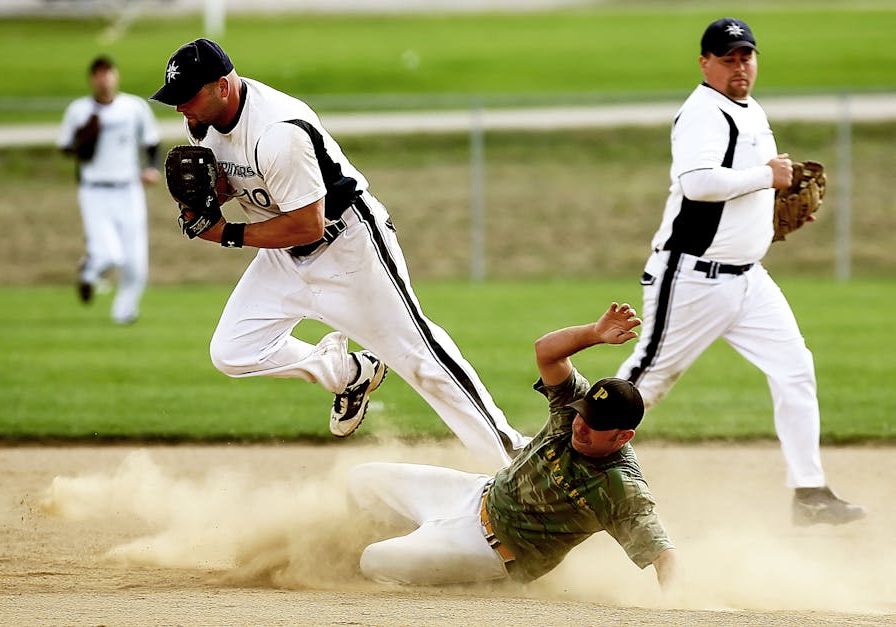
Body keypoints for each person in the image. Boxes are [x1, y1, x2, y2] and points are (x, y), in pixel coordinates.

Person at [148, 39, 528, 467]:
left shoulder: (278, 133)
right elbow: (232, 182)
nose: (180, 108)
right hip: (283, 255)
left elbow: (307, 223)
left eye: (187, 97)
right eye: (173, 99)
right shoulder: (202, 123)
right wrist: (204, 200)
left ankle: (514, 454)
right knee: (233, 351)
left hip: (348, 248)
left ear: (222, 86)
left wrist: (225, 233)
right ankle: (350, 373)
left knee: (420, 359)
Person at [614, 17, 866, 525]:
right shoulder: (703, 114)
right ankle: (555, 455)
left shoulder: (751, 111)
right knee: (645, 383)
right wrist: (766, 176)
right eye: (727, 58)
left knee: (795, 369)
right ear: (705, 63)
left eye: (746, 56)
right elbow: (699, 183)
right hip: (691, 278)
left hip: (748, 277)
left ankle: (809, 493)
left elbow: (744, 193)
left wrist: (767, 217)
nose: (739, 67)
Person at [348, 302, 676, 589]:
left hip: (489, 550)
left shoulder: (619, 486)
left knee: (372, 560)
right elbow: (546, 351)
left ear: (623, 437)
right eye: (583, 415)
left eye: (596, 425)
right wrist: (594, 333)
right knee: (361, 481)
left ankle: (464, 580)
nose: (581, 426)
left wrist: (675, 606)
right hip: (474, 494)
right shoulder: (571, 411)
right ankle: (421, 542)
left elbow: (664, 556)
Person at [58, 55, 161, 325]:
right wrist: (83, 140)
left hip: (129, 188)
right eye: (98, 74)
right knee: (110, 254)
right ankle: (89, 273)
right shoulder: (79, 111)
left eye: (108, 73)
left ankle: (124, 313)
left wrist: (152, 168)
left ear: (116, 76)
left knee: (136, 260)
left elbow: (151, 141)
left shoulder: (133, 108)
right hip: (95, 190)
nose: (104, 79)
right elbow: (66, 147)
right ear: (92, 79)